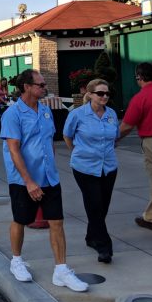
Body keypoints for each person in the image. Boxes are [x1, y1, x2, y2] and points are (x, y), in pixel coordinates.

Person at [0, 69, 88, 292]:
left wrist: (51, 168)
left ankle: (61, 270)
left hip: (50, 178)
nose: (44, 88)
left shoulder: (46, 111)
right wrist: (29, 182)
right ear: (27, 87)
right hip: (23, 180)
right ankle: (17, 261)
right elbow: (14, 150)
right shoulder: (13, 114)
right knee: (20, 219)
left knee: (57, 222)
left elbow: (49, 142)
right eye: (40, 84)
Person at [63, 79, 119, 263]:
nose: (105, 97)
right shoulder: (78, 115)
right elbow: (67, 135)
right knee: (94, 204)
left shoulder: (111, 114)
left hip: (108, 167)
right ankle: (104, 246)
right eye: (100, 93)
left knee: (102, 206)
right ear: (91, 94)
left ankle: (91, 237)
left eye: (107, 94)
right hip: (85, 167)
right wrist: (76, 152)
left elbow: (114, 138)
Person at [119, 62, 152, 232]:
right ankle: (150, 217)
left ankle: (150, 218)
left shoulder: (140, 98)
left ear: (139, 77)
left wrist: (113, 140)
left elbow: (126, 126)